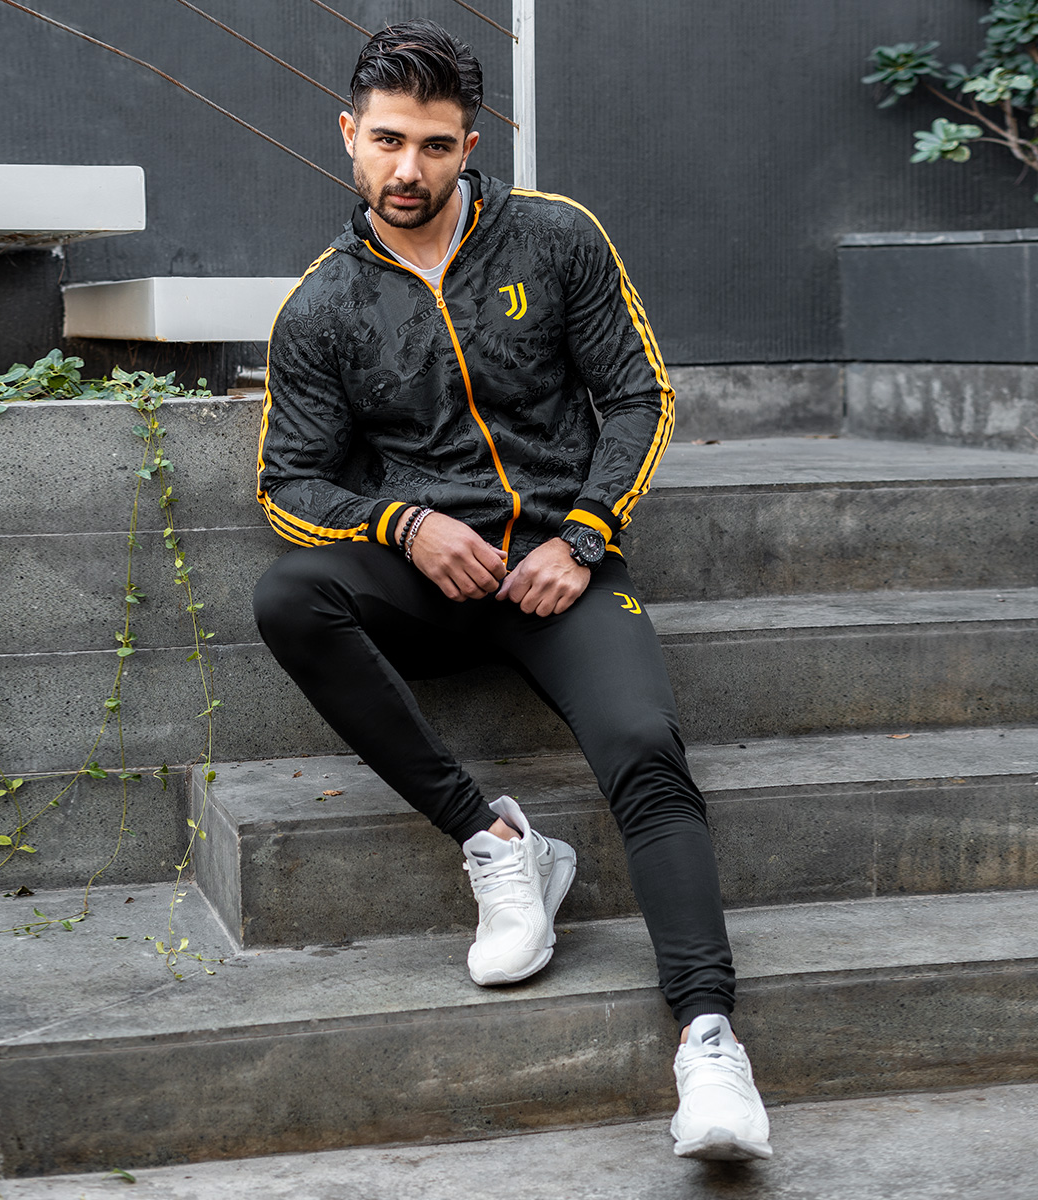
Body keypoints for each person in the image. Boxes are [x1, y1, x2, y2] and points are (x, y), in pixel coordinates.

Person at [252, 19, 771, 1162]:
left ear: (469, 145)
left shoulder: (554, 237)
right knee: (290, 596)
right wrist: (402, 523)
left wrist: (583, 535)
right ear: (348, 134)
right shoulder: (323, 308)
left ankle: (709, 1044)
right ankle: (495, 841)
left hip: (560, 575)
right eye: (388, 140)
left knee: (643, 747)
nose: (408, 169)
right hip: (430, 584)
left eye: (435, 145)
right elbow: (288, 482)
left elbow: (639, 395)